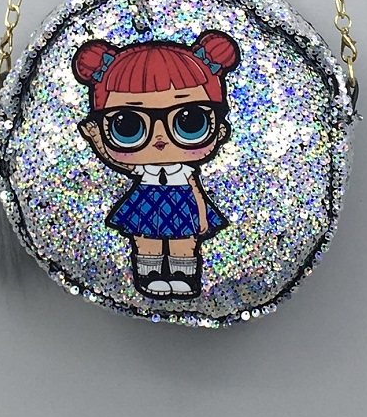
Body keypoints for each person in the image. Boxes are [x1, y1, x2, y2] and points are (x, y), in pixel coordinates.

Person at [72, 30, 241, 299]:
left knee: (183, 243)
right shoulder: (146, 169)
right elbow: (118, 163)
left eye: (190, 121)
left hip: (180, 201)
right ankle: (149, 276)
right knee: (146, 240)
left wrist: (202, 217)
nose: (160, 139)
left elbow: (196, 188)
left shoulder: (184, 171)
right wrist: (96, 140)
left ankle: (183, 277)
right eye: (128, 125)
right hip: (148, 200)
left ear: (219, 129)